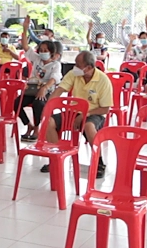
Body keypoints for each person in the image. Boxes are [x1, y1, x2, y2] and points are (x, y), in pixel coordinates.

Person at [42, 50, 113, 178]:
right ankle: (56, 157)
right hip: (73, 111)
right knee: (49, 122)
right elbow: (59, 90)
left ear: (89, 67)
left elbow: (105, 109)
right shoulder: (74, 74)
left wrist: (85, 115)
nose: (75, 67)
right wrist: (48, 108)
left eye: (78, 65)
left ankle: (99, 162)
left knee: (88, 126)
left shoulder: (103, 80)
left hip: (95, 112)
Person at [18, 16, 62, 142]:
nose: (42, 52)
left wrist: (44, 88)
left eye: (45, 51)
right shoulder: (36, 58)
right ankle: (29, 125)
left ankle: (37, 128)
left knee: (39, 103)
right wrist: (25, 29)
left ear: (51, 52)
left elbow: (55, 78)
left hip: (47, 92)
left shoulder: (55, 64)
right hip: (32, 89)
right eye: (41, 50)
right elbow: (25, 45)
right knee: (17, 103)